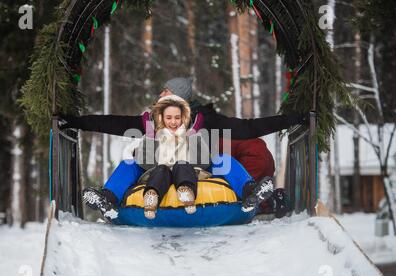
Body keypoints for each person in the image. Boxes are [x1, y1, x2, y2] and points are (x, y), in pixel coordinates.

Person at [60, 77, 306, 218]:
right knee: (130, 161)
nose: (160, 94)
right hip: (155, 171)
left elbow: (248, 129)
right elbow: (110, 122)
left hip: (197, 169)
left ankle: (251, 191)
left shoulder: (204, 120)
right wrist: (74, 121)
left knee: (222, 158)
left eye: (165, 91)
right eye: (161, 92)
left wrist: (294, 118)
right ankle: (108, 198)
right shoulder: (148, 120)